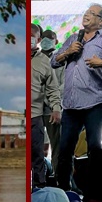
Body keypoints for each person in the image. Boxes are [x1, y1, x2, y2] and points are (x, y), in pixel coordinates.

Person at [50, 4, 102, 192]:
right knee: (65, 150)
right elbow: (53, 61)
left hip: (94, 103)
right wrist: (67, 53)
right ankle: (64, 190)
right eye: (86, 13)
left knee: (95, 149)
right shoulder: (72, 39)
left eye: (91, 14)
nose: (86, 16)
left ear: (101, 21)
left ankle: (96, 191)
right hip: (70, 104)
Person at [30, 24, 61, 189]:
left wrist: (56, 108)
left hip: (36, 115)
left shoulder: (45, 61)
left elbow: (53, 88)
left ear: (38, 39)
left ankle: (39, 187)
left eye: (31, 35)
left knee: (37, 155)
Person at [40, 30, 63, 172]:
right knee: (35, 146)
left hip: (53, 108)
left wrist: (52, 100)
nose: (47, 40)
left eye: (51, 38)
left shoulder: (61, 58)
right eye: (44, 38)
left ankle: (58, 177)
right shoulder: (34, 58)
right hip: (36, 109)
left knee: (57, 146)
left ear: (56, 41)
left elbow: (64, 83)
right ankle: (37, 179)